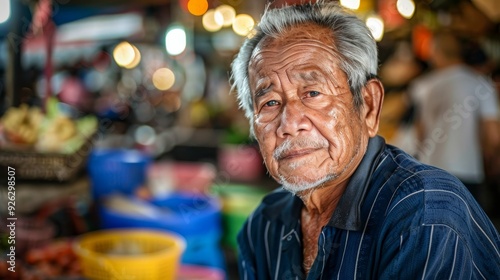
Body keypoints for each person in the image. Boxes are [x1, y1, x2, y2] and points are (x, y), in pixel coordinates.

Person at [229, 1, 500, 279]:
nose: (289, 124)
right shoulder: (263, 226)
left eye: (312, 93)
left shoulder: (424, 214)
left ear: (369, 106)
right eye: (270, 102)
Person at [409, 31, 500, 200]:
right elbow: (493, 136)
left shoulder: (422, 86)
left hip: (429, 172)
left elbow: (420, 132)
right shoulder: (481, 84)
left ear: (434, 52)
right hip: (468, 173)